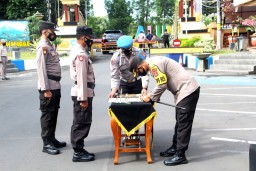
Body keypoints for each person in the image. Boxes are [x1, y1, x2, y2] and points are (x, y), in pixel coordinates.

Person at [129, 55, 200, 166]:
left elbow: (162, 84)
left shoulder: (153, 65)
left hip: (188, 90)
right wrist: (152, 96)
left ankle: (181, 154)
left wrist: (151, 97)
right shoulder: (152, 63)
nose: (139, 74)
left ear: (140, 65)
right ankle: (175, 147)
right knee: (179, 121)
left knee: (183, 123)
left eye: (138, 71)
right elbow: (162, 82)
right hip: (181, 91)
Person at [36, 21, 66, 155]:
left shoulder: (49, 45)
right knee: (47, 115)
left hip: (54, 85)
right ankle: (46, 143)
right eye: (51, 31)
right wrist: (45, 89)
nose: (53, 33)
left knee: (53, 113)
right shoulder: (43, 47)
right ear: (44, 31)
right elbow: (41, 69)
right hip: (48, 87)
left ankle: (52, 139)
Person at [70, 26, 96, 162]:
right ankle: (78, 152)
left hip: (83, 91)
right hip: (82, 92)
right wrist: (83, 99)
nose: (91, 40)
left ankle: (79, 149)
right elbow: (81, 77)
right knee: (81, 122)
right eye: (90, 37)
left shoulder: (80, 51)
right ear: (83, 37)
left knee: (81, 121)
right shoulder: (80, 54)